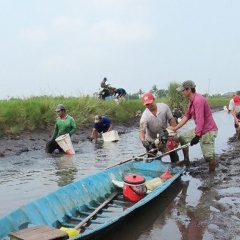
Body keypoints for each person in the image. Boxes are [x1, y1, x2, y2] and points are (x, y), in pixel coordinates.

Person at [168, 80, 218, 172]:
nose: (182, 92)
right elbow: (187, 116)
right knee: (182, 138)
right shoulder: (191, 100)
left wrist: (197, 135)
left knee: (208, 157)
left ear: (189, 89)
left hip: (208, 130)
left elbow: (200, 119)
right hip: (200, 128)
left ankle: (212, 176)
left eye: (183, 90)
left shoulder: (198, 100)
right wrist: (175, 128)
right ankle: (186, 160)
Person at [139, 92, 179, 162]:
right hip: (151, 140)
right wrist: (143, 140)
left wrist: (174, 133)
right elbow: (142, 131)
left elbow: (171, 120)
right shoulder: (145, 116)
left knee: (173, 154)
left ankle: (176, 166)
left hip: (164, 137)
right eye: (147, 105)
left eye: (150, 103)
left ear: (154, 100)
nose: (149, 106)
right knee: (150, 160)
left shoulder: (164, 107)